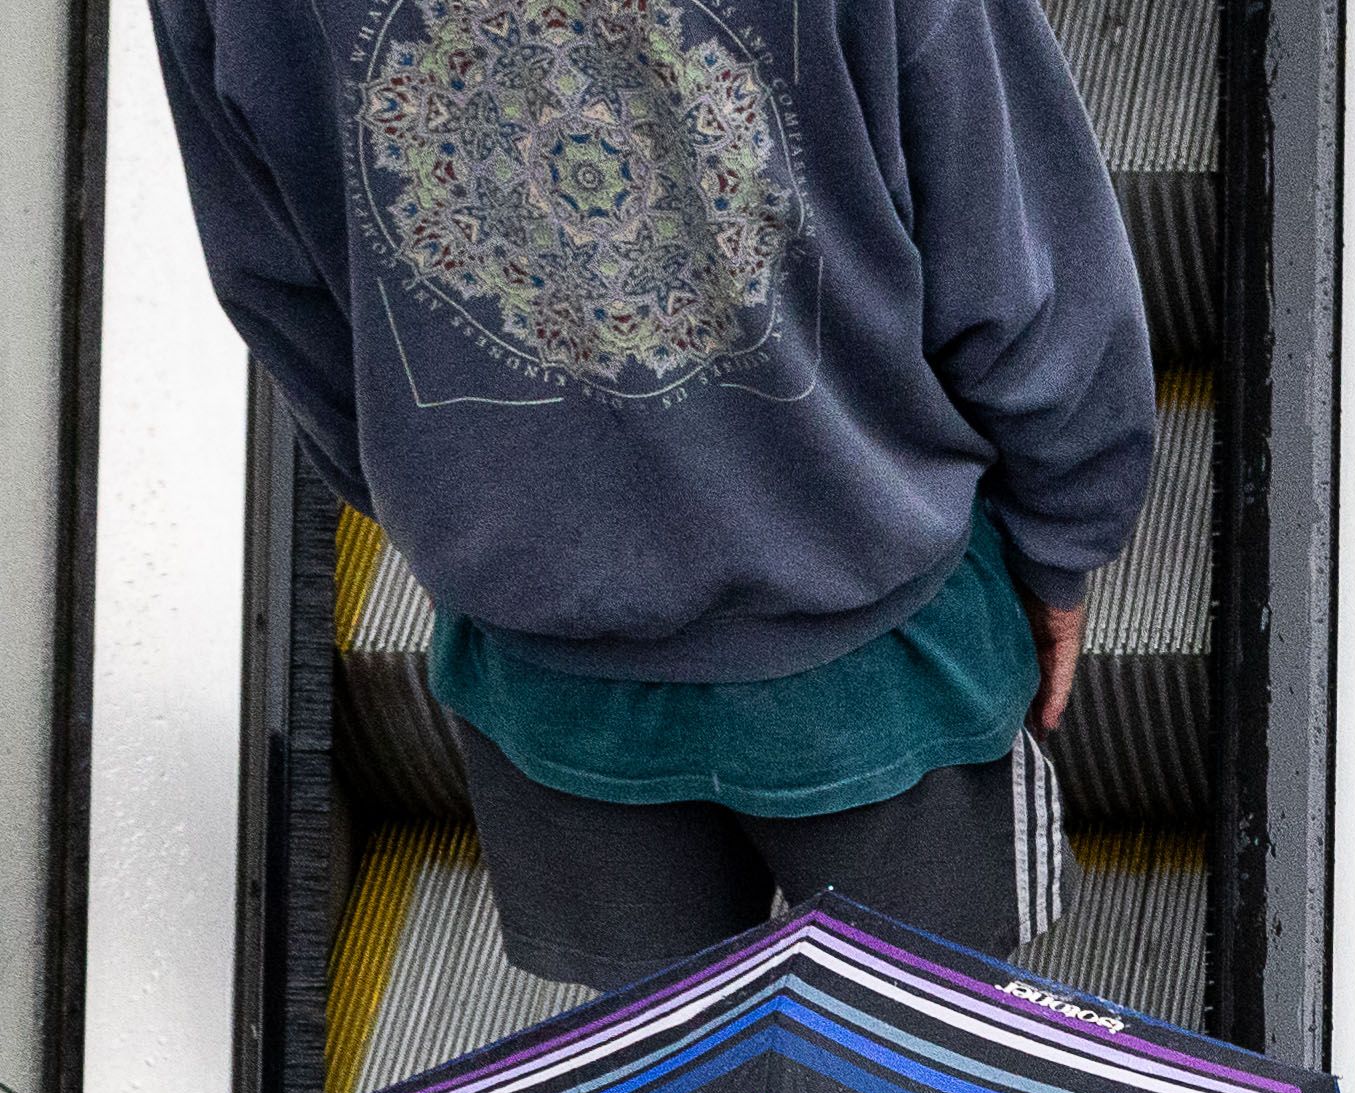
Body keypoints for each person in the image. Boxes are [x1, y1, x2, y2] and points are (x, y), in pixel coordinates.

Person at [155, 0, 1159, 983]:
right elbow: (1019, 247)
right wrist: (1061, 535)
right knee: (926, 1085)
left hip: (543, 653)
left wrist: (449, 495)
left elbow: (278, 281)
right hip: (878, 651)